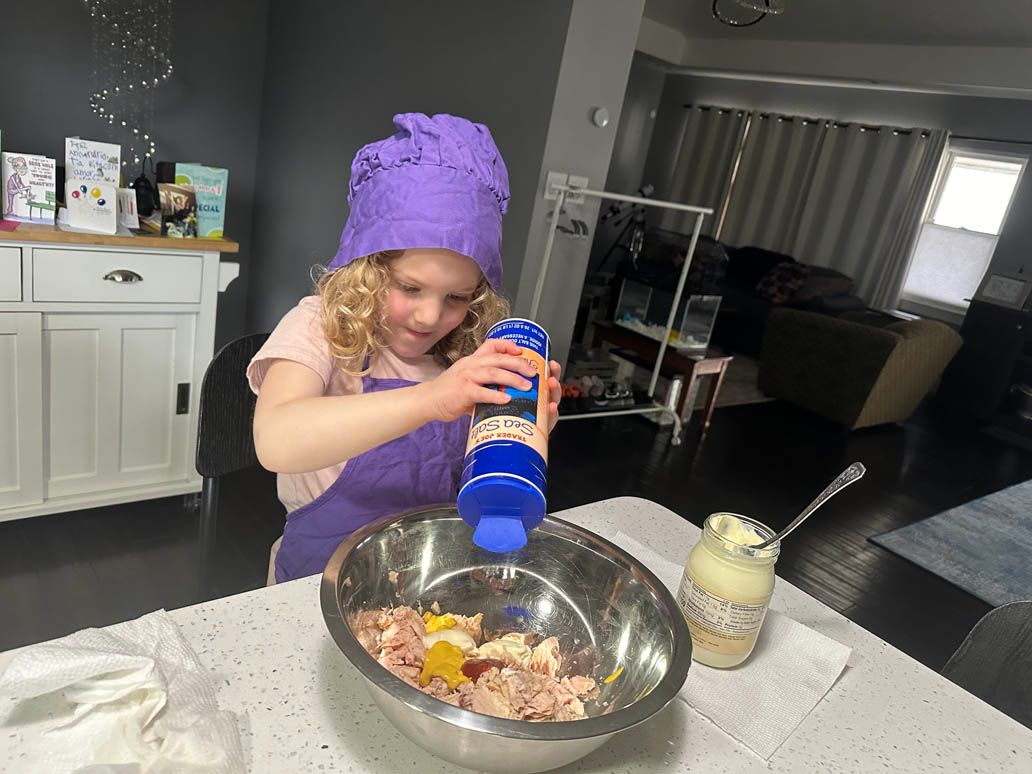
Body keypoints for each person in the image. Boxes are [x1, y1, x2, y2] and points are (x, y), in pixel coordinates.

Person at [247, 113, 561, 583]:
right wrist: (430, 400)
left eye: (456, 298)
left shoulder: (466, 354)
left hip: (428, 588)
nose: (430, 317)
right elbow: (275, 440)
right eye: (409, 288)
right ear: (366, 269)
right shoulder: (319, 326)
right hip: (314, 588)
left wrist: (517, 437)